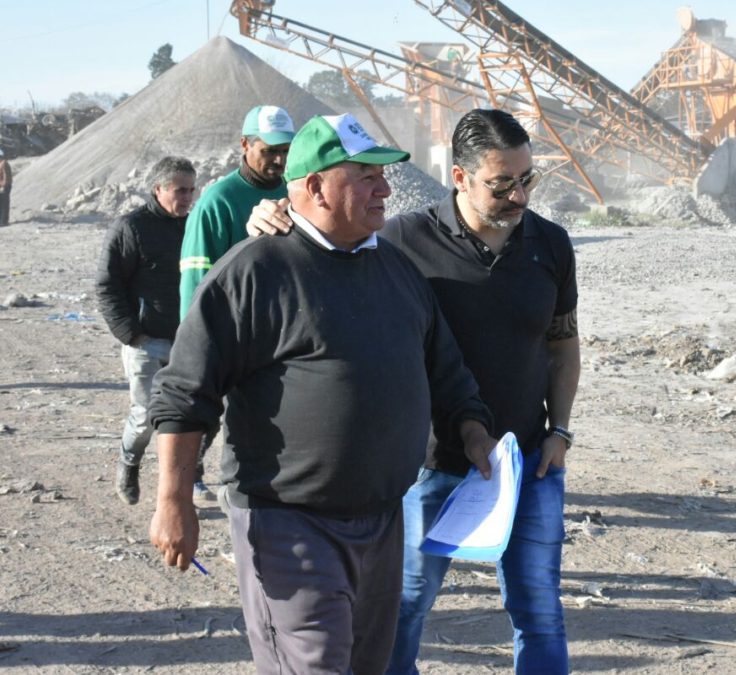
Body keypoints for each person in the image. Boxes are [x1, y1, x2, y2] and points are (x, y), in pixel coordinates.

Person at [148, 112, 496, 675]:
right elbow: (187, 393)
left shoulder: (396, 269)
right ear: (314, 187)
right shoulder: (255, 271)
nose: (386, 188)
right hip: (289, 523)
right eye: (365, 176)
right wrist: (173, 499)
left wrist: (474, 430)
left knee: (367, 666)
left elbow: (446, 369)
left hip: (384, 520)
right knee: (313, 666)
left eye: (382, 176)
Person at [246, 108, 581, 674]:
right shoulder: (402, 241)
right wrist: (275, 217)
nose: (519, 197)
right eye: (502, 184)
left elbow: (563, 344)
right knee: (400, 611)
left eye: (528, 179)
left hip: (528, 462)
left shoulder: (550, 244)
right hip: (428, 465)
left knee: (540, 613)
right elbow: (326, 245)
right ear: (458, 177)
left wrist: (560, 431)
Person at [95, 157, 216, 506]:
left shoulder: (196, 225)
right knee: (146, 418)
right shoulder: (130, 228)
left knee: (203, 416)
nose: (188, 197)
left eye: (192, 190)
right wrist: (131, 334)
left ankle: (191, 476)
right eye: (180, 190)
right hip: (147, 341)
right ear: (158, 189)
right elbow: (107, 285)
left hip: (191, 341)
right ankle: (129, 463)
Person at [178, 104, 295, 318]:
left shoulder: (296, 191)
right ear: (244, 144)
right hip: (238, 331)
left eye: (285, 151)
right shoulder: (218, 201)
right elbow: (196, 280)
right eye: (269, 151)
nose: (279, 160)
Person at [0, 148, 11, 226]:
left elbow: (6, 176)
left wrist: (3, 185)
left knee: (4, 204)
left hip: (4, 186)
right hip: (2, 186)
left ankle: (3, 221)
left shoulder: (4, 163)